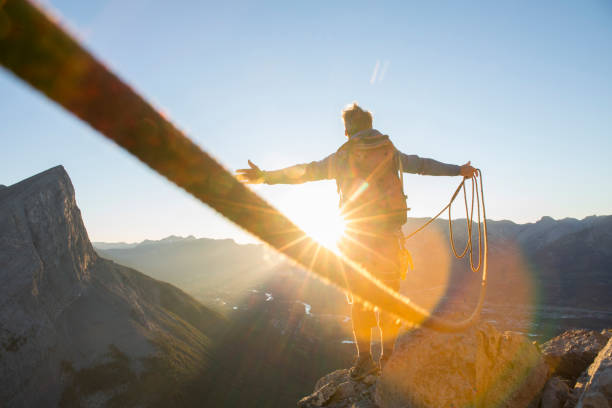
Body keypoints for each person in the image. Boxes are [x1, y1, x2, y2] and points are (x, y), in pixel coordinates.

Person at [236, 103, 476, 380]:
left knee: (360, 302)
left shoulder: (343, 156)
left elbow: (305, 172)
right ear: (370, 124)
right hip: (390, 239)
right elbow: (423, 165)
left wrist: (266, 177)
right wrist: (459, 170)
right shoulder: (390, 152)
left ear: (348, 129)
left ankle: (364, 361)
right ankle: (389, 358)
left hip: (357, 241)